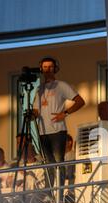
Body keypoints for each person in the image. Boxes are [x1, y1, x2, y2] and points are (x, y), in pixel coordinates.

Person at [32, 56, 85, 195]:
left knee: (58, 162)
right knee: (48, 164)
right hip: (43, 132)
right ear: (41, 69)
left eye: (50, 67)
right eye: (44, 67)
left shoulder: (61, 85)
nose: (47, 70)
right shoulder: (40, 89)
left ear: (55, 68)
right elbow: (36, 110)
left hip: (58, 131)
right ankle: (49, 195)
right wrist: (31, 114)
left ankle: (60, 194)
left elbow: (80, 101)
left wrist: (65, 113)